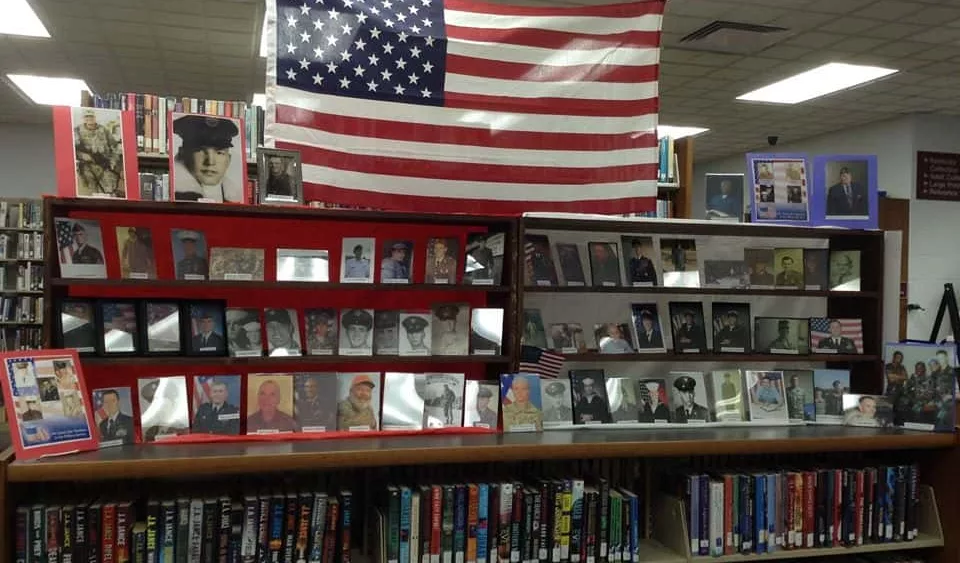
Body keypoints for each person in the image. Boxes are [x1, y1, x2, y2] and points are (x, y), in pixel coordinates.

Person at [172, 115, 243, 202]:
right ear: (182, 153)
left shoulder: (235, 197)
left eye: (219, 152)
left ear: (229, 160)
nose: (210, 162)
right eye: (200, 150)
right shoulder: (177, 192)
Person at [74, 109, 124, 197]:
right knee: (89, 196)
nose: (89, 119)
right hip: (86, 168)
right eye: (87, 117)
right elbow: (72, 150)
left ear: (95, 117)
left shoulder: (103, 130)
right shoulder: (77, 131)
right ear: (84, 118)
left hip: (105, 166)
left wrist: (112, 161)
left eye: (91, 116)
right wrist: (82, 155)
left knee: (108, 194)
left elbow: (115, 147)